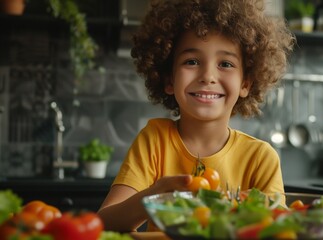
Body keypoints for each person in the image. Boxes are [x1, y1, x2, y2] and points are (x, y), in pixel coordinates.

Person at [98, 0, 295, 232]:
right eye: (191, 61)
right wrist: (153, 196)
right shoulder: (155, 140)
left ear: (245, 83)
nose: (208, 76)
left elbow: (279, 232)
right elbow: (104, 222)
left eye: (225, 63)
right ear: (169, 79)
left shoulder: (261, 158)